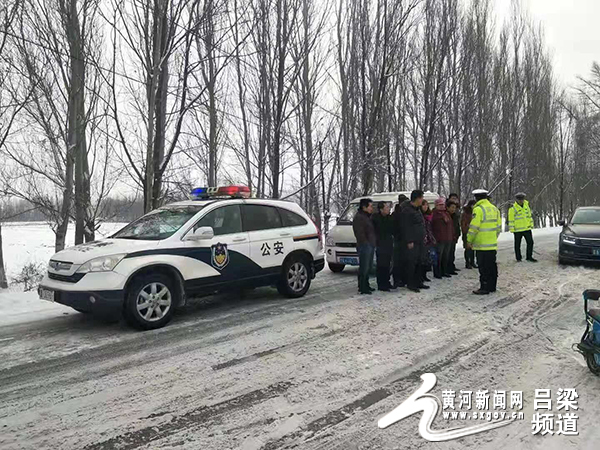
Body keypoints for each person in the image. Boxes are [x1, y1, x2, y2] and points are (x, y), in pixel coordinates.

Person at [466, 189, 502, 295]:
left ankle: (484, 287)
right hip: (492, 244)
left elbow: (474, 227)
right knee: (492, 266)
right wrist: (493, 237)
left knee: (483, 267)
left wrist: (469, 240)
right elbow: (498, 227)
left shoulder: (478, 209)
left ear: (476, 198)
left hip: (481, 245)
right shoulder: (495, 209)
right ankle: (492, 286)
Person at [399, 190, 430, 292]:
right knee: (412, 262)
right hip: (412, 241)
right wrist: (409, 240)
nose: (422, 200)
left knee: (419, 261)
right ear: (417, 198)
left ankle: (418, 281)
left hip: (420, 240)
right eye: (421, 198)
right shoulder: (407, 211)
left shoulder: (417, 210)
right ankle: (411, 283)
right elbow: (406, 227)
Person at [352, 198, 376, 295]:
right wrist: (366, 242)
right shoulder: (359, 217)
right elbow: (359, 233)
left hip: (370, 244)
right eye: (370, 206)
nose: (372, 208)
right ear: (364, 207)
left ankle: (366, 284)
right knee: (364, 267)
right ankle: (362, 286)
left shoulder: (367, 216)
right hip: (364, 245)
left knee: (368, 266)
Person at [372, 201, 395, 291]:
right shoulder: (375, 218)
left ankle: (387, 281)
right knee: (381, 265)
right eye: (386, 208)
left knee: (387, 264)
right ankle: (381, 284)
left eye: (388, 207)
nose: (388, 209)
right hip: (380, 244)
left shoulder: (389, 218)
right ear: (381, 209)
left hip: (388, 243)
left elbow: (392, 229)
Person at [508, 192, 537, 263]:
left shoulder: (527, 207)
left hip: (527, 228)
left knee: (530, 243)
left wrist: (531, 225)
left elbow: (529, 217)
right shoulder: (512, 209)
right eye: (519, 199)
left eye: (522, 199)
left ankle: (529, 257)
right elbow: (511, 220)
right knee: (517, 245)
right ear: (516, 200)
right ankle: (518, 258)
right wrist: (512, 229)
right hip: (518, 230)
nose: (521, 201)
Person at [431, 198, 455, 278]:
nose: (442, 206)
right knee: (438, 256)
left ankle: (444, 271)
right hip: (439, 238)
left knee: (446, 256)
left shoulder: (446, 213)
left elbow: (450, 225)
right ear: (436, 205)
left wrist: (452, 235)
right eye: (440, 205)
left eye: (443, 205)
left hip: (448, 238)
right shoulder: (434, 214)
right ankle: (437, 272)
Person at [392, 194, 410, 288]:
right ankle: (398, 280)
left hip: (403, 239)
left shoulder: (403, 213)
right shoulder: (397, 213)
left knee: (404, 261)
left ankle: (403, 279)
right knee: (398, 262)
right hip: (399, 240)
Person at [421, 200, 436, 283]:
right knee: (423, 258)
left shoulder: (429, 216)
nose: (425, 207)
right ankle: (421, 275)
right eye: (424, 205)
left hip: (429, 238)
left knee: (427, 258)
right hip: (423, 238)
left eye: (427, 205)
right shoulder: (420, 215)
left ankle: (425, 274)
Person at [461, 200, 477, 269]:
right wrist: (465, 231)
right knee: (468, 248)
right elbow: (463, 224)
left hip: (473, 232)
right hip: (467, 233)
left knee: (473, 248)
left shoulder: (475, 212)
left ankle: (472, 262)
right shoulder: (465, 213)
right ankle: (467, 262)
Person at [448, 193, 461, 272]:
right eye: (452, 198)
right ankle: (448, 267)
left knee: (452, 252)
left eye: (455, 198)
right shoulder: (446, 210)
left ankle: (452, 265)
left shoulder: (457, 210)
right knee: (448, 253)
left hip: (455, 234)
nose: (454, 200)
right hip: (448, 235)